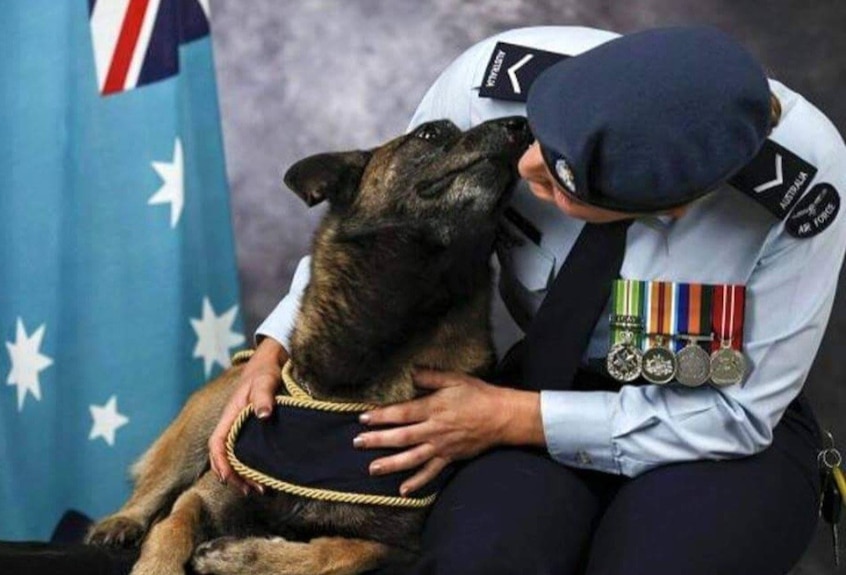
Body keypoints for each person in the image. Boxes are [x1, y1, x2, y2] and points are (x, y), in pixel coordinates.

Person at [209, 26, 846, 574]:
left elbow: (735, 414)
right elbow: (384, 219)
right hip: (535, 381)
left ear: (670, 209)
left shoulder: (803, 192)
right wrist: (276, 344)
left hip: (708, 416)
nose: (527, 169)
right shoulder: (494, 78)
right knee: (481, 555)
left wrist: (515, 419)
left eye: (560, 185)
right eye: (542, 142)